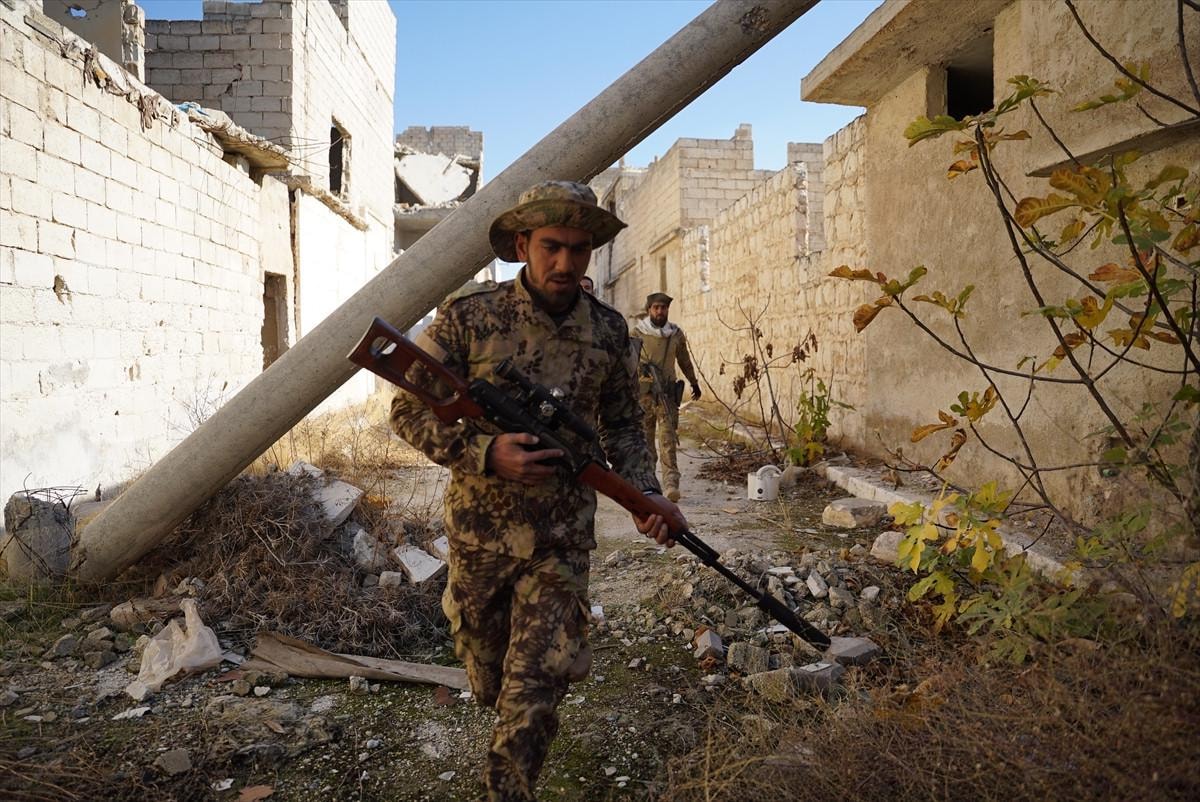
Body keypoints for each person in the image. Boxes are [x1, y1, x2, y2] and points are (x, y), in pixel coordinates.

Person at [389, 180, 684, 802]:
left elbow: (625, 427)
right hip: (480, 538)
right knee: (490, 679)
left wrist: (645, 494)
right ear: (522, 245)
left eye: (579, 249)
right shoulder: (468, 318)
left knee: (534, 692)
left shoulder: (609, 332)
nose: (565, 262)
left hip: (561, 540)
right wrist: (485, 452)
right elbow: (407, 411)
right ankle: (512, 686)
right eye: (552, 246)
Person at [632, 292, 701, 502]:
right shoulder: (637, 333)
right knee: (645, 443)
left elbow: (684, 360)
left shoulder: (675, 334)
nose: (660, 311)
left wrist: (694, 382)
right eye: (656, 308)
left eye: (663, 308)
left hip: (667, 395)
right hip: (644, 396)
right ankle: (647, 483)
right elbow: (626, 361)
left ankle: (671, 484)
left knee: (668, 441)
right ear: (649, 310)